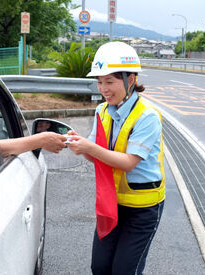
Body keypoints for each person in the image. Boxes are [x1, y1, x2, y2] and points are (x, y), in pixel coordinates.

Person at [67, 42, 165, 274]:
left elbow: (129, 161)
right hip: (111, 202)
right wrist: (81, 147)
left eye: (110, 81)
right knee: (99, 267)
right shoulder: (101, 111)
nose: (103, 89)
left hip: (143, 209)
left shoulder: (148, 116)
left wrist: (89, 147)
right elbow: (98, 156)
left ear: (130, 80)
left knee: (124, 270)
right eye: (100, 82)